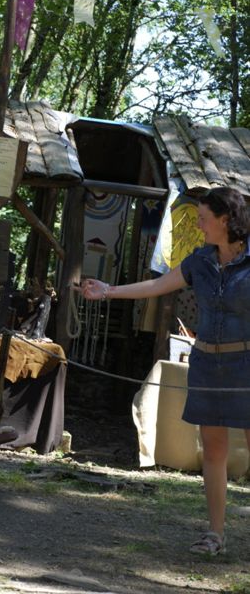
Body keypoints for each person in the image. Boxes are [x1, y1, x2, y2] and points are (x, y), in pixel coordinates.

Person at [78, 186, 250, 556]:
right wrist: (108, 290)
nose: (199, 225)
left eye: (204, 218)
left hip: (246, 367)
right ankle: (215, 535)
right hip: (206, 365)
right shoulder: (200, 260)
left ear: (225, 220)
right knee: (213, 450)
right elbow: (158, 284)